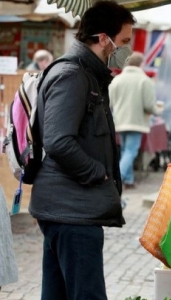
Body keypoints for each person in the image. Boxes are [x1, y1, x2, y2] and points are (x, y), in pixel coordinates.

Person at [28, 2, 135, 300]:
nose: (127, 49)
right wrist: (98, 174)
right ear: (104, 38)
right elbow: (59, 141)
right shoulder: (73, 75)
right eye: (124, 41)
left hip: (69, 207)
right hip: (71, 209)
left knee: (59, 293)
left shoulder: (89, 74)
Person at [109, 52, 161, 189]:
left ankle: (129, 180)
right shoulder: (144, 81)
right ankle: (117, 179)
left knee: (126, 150)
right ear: (141, 64)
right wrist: (159, 111)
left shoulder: (117, 80)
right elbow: (149, 105)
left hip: (119, 121)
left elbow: (110, 102)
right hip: (136, 121)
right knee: (131, 152)